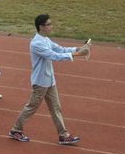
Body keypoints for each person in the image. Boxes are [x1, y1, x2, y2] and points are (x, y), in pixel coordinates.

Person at [9, 14, 90, 145]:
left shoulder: (45, 39)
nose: (51, 26)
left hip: (50, 81)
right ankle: (16, 129)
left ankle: (63, 135)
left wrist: (78, 49)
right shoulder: (36, 43)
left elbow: (60, 49)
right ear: (41, 27)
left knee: (56, 107)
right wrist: (78, 54)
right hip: (40, 82)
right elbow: (54, 56)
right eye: (49, 24)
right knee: (32, 107)